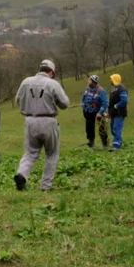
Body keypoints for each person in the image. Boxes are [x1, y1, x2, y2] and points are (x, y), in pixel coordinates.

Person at [13, 59, 70, 191]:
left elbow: (18, 99)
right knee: (52, 154)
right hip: (48, 120)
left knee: (30, 152)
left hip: (30, 120)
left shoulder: (26, 82)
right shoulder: (52, 84)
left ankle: (21, 174)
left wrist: (26, 108)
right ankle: (46, 185)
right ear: (51, 72)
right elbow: (65, 103)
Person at [81, 75, 108, 148]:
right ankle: (91, 143)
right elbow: (83, 98)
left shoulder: (101, 91)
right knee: (89, 128)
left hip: (98, 112)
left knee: (102, 128)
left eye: (89, 80)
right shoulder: (87, 89)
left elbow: (105, 103)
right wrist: (83, 107)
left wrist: (100, 112)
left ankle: (105, 144)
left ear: (93, 82)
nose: (88, 81)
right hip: (88, 112)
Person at [108, 74, 129, 151]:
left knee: (117, 128)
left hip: (120, 112)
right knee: (112, 128)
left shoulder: (122, 89)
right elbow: (110, 102)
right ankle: (118, 143)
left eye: (111, 79)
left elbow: (124, 100)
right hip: (113, 113)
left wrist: (117, 105)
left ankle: (116, 145)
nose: (110, 80)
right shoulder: (113, 89)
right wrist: (109, 112)